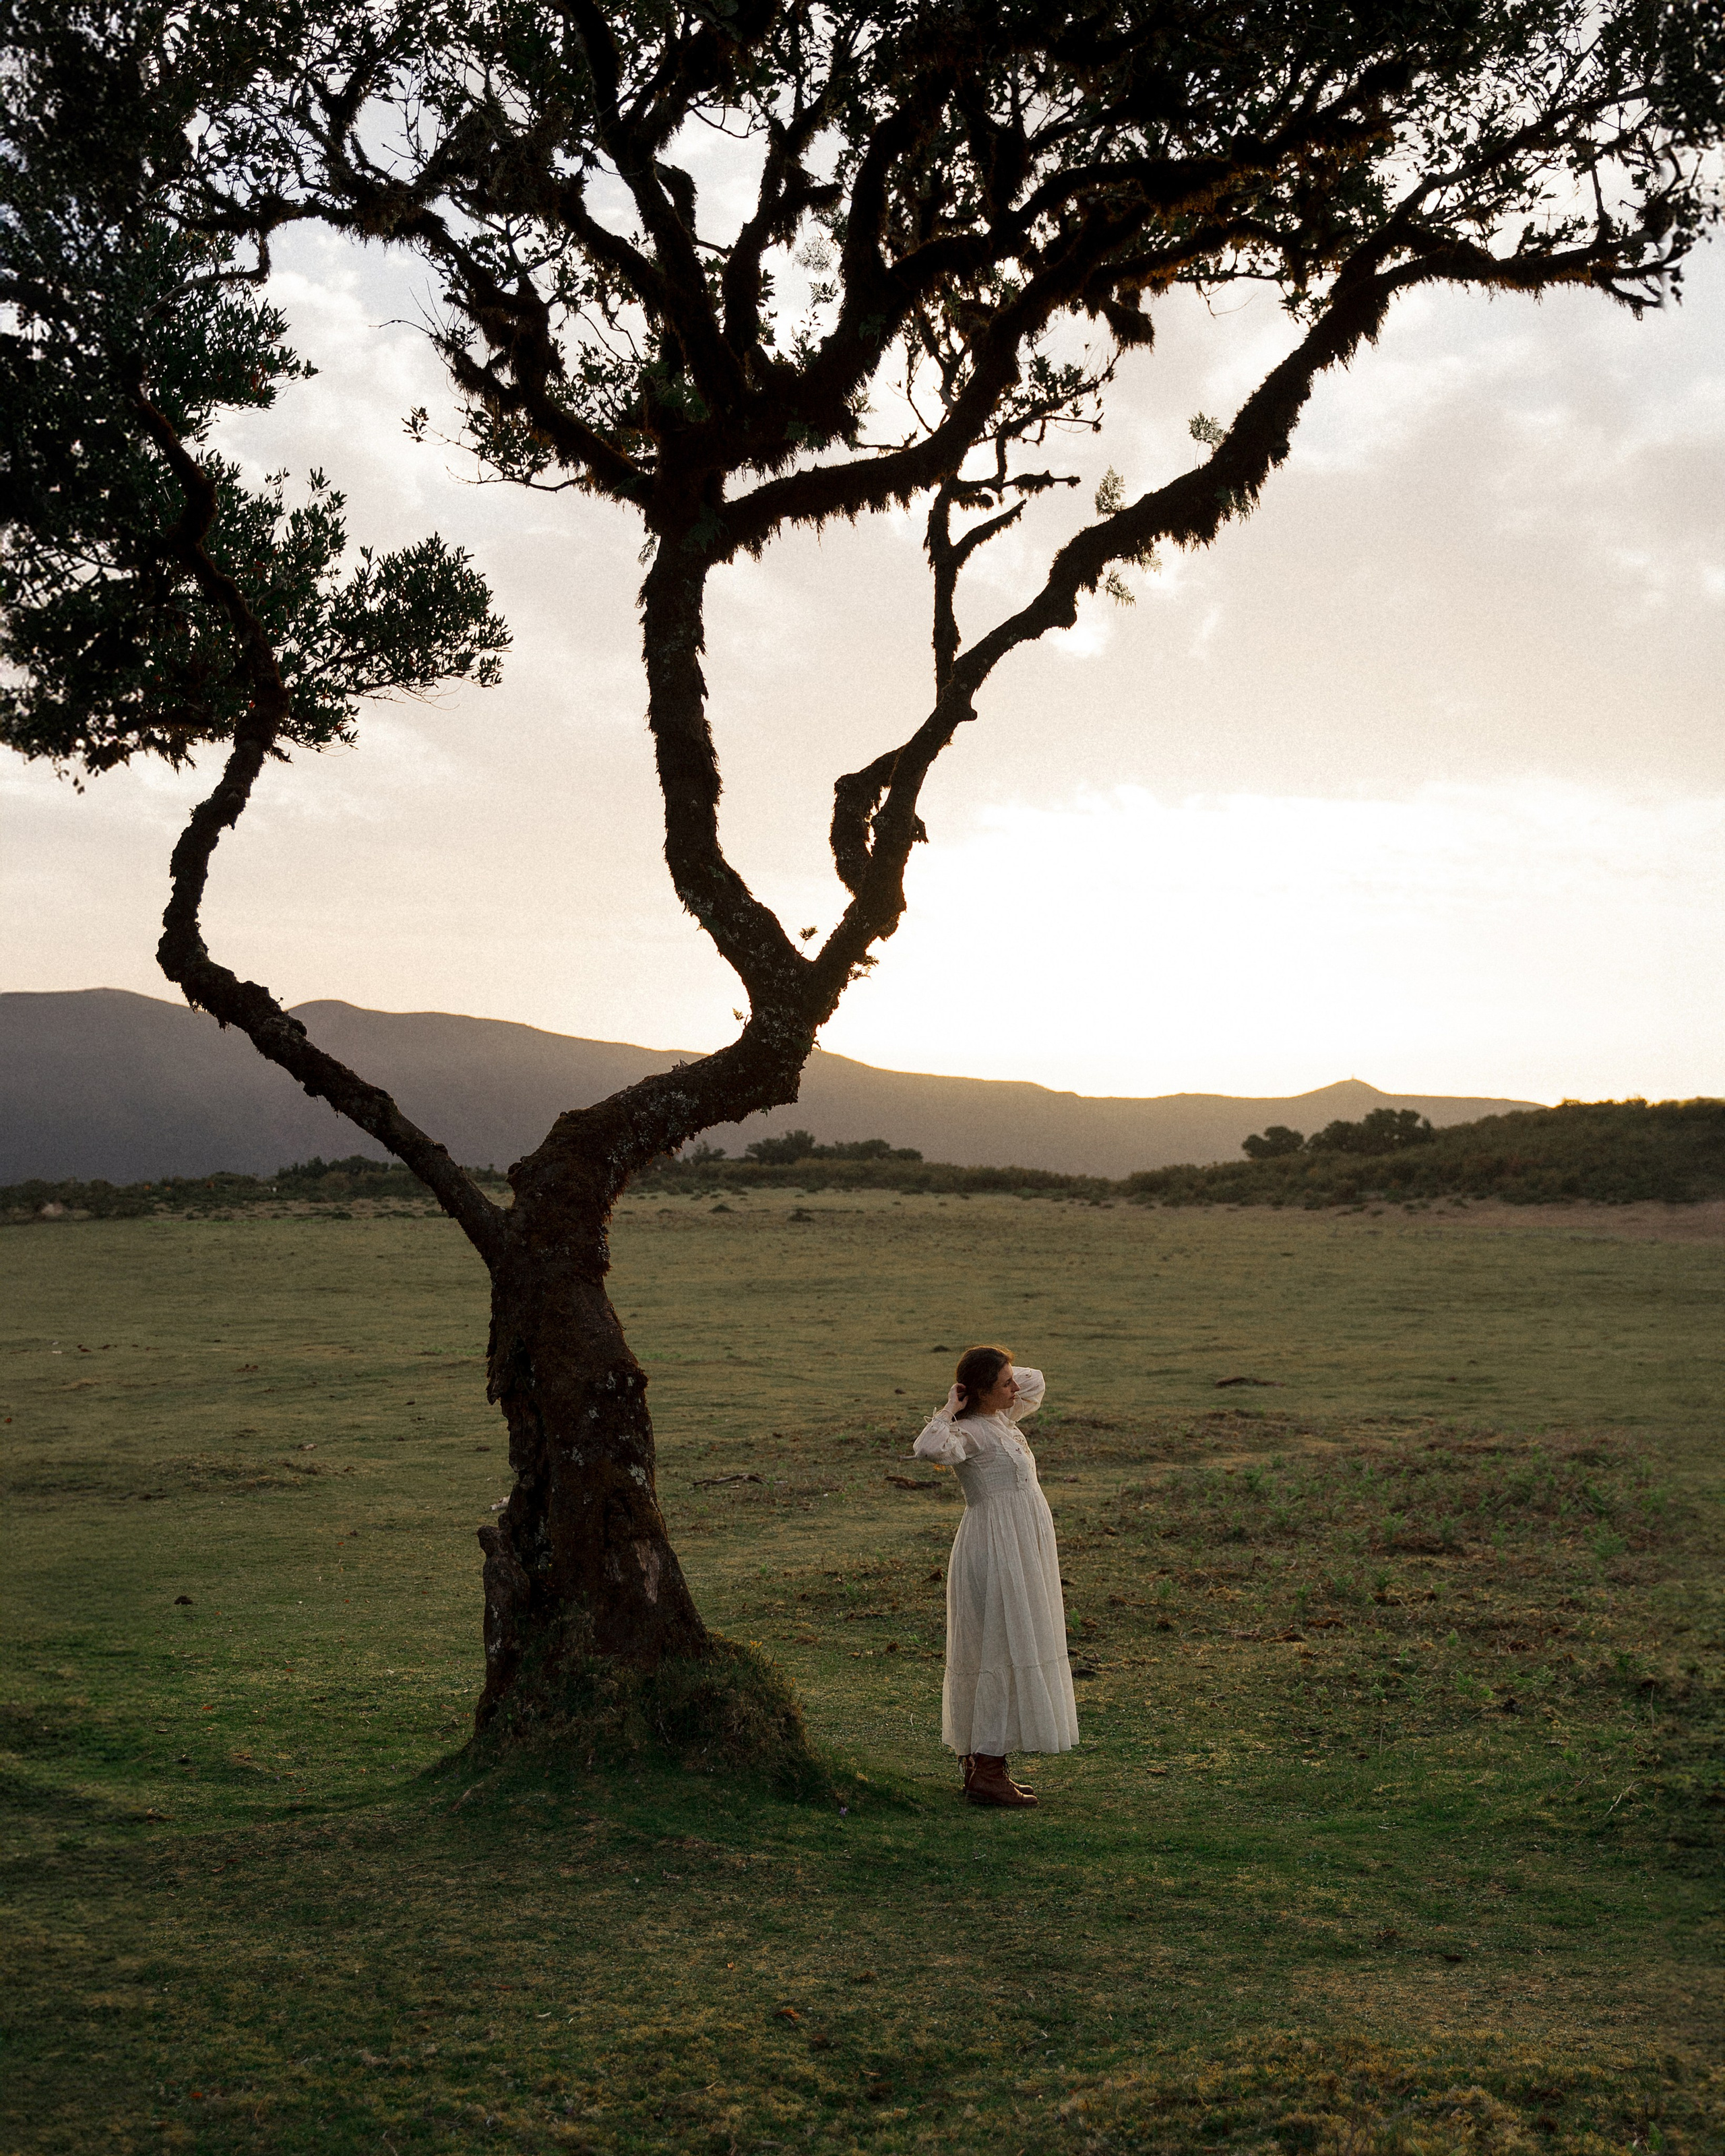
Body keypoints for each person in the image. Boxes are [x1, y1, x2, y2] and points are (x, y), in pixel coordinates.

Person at [912, 1344, 1078, 1807]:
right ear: (982, 1393)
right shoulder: (970, 1434)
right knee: (996, 1643)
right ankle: (985, 1769)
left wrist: (993, 1375)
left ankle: (987, 1765)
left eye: (1011, 1380)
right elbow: (927, 1448)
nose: (1016, 1387)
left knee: (1011, 1639)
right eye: (1005, 1383)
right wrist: (953, 1404)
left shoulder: (1003, 1420)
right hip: (995, 1547)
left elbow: (1037, 1379)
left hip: (1023, 1545)